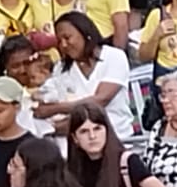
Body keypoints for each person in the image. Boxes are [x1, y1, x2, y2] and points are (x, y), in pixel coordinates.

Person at [64, 102, 177, 187]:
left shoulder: (127, 161)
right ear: (75, 138)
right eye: (84, 131)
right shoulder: (70, 170)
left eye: (97, 128)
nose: (92, 136)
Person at [37, 12, 135, 141]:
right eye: (60, 41)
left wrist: (55, 109)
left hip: (117, 137)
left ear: (85, 33)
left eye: (67, 37)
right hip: (77, 143)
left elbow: (101, 100)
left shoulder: (114, 56)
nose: (64, 45)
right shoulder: (61, 68)